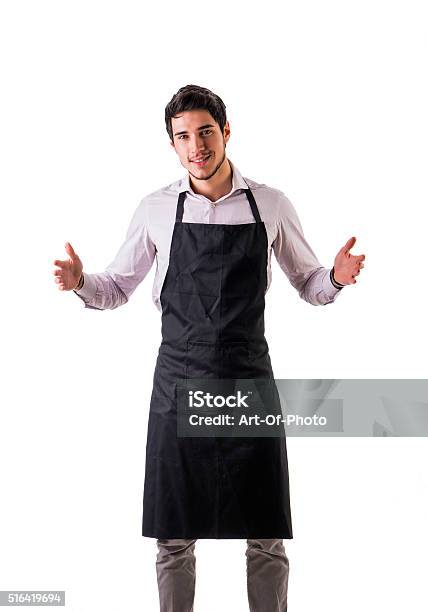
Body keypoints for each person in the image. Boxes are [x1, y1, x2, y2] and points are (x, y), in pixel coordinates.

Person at [52, 84, 365, 611]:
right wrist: (83, 281)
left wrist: (334, 276)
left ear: (226, 132)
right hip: (179, 382)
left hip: (247, 380)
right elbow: (116, 290)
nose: (196, 145)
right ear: (172, 145)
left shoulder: (270, 204)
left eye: (205, 132)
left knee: (265, 534)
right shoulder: (155, 209)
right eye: (183, 137)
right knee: (174, 535)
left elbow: (310, 284)